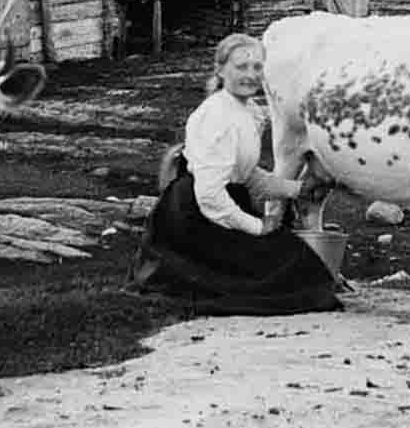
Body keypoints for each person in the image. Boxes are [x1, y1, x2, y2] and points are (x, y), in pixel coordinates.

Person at [129, 34, 341, 316]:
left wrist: (296, 190)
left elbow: (245, 174)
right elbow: (209, 195)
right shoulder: (216, 116)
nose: (251, 75)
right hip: (195, 219)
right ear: (220, 70)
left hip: (226, 204)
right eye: (241, 67)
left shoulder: (249, 111)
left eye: (257, 67)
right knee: (292, 272)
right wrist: (256, 226)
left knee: (299, 264)